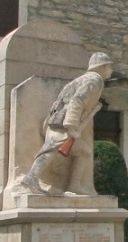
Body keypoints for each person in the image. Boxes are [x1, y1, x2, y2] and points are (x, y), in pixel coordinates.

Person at [16, 52, 113, 196]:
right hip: (61, 123)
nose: (111, 70)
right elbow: (77, 101)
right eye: (110, 66)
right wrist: (71, 126)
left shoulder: (81, 80)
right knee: (50, 149)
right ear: (103, 67)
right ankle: (32, 178)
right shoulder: (94, 80)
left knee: (84, 152)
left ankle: (73, 185)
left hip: (55, 120)